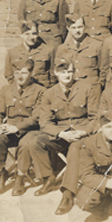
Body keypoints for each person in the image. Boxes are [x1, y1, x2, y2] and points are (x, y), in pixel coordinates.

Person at [23, 58, 100, 214]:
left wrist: (83, 132)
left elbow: (95, 118)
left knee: (75, 148)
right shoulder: (49, 93)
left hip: (81, 133)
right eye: (63, 72)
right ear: (56, 73)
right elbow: (45, 123)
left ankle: (67, 193)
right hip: (61, 133)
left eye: (70, 71)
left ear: (74, 73)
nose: (67, 75)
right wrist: (61, 134)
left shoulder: (87, 89)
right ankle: (49, 178)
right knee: (36, 141)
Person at [0, 58, 46, 195]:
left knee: (26, 143)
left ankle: (20, 176)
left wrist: (17, 128)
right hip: (9, 129)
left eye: (24, 73)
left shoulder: (40, 91)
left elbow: (37, 117)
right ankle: (1, 173)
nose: (20, 77)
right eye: (16, 73)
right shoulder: (6, 90)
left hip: (30, 130)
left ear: (31, 73)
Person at [54, 14, 107, 89]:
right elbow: (59, 72)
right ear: (68, 28)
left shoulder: (97, 45)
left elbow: (104, 70)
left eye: (80, 27)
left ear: (84, 27)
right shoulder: (62, 48)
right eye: (73, 27)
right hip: (72, 89)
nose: (77, 31)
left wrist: (99, 86)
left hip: (92, 88)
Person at [4, 21, 56, 88]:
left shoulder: (48, 50)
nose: (31, 37)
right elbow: (9, 75)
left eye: (34, 33)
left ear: (38, 34)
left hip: (43, 90)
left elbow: (53, 75)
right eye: (27, 34)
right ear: (21, 35)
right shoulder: (13, 53)